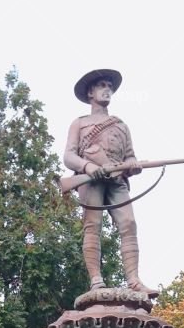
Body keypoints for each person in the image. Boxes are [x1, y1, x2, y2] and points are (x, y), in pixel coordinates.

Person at [64, 69, 157, 296]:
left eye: (109, 86)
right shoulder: (79, 123)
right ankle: (96, 280)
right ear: (90, 92)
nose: (107, 90)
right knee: (92, 227)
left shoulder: (121, 125)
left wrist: (133, 165)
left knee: (129, 224)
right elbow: (68, 156)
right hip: (92, 181)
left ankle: (134, 280)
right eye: (102, 85)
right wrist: (88, 166)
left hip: (117, 181)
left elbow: (130, 156)